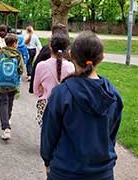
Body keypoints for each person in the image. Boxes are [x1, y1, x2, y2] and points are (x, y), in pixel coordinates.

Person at [40, 31, 123, 180]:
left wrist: (47, 160)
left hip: (65, 171)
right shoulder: (113, 95)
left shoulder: (61, 93)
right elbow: (111, 135)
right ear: (102, 58)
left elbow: (49, 134)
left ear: (71, 54)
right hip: (102, 172)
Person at [33, 33, 74, 126]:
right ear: (67, 48)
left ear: (50, 46)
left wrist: (44, 93)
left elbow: (36, 90)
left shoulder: (41, 66)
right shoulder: (71, 67)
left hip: (46, 107)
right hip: (65, 107)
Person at [0, 34, 25, 140]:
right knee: (10, 102)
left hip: (1, 83)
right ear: (14, 43)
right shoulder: (18, 54)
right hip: (13, 83)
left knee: (3, 103)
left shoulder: (0, 52)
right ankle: (8, 119)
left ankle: (6, 128)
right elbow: (21, 70)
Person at [29, 23, 68, 93]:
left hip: (46, 94)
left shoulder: (46, 50)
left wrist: (32, 87)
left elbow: (36, 67)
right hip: (65, 96)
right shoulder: (70, 52)